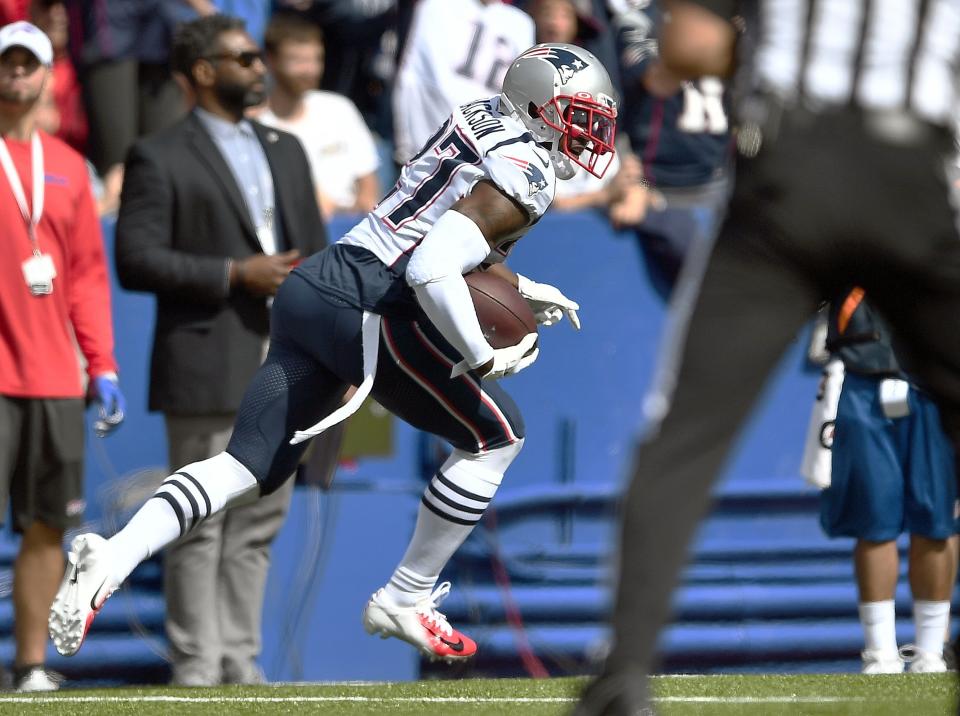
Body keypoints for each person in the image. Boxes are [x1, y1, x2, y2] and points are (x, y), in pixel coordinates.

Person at [50, 41, 617, 664]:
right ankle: (407, 594)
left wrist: (523, 291)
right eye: (579, 113)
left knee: (244, 466)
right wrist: (480, 352)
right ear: (541, 105)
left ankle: (113, 555)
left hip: (321, 283)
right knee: (497, 437)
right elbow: (431, 266)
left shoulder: (485, 116)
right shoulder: (526, 171)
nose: (590, 132)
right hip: (373, 303)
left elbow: (431, 227)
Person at [574, 1, 960, 713]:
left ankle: (623, 675)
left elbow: (688, 45)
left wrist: (726, 66)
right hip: (914, 176)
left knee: (684, 433)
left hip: (789, 170)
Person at [111, 15, 328, 686]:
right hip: (209, 354)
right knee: (198, 521)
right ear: (204, 72)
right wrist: (234, 273)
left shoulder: (286, 147)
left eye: (259, 56)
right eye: (243, 58)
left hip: (288, 355)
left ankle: (240, 660)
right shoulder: (159, 152)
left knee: (260, 520)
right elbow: (136, 258)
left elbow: (319, 256)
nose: (259, 67)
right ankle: (197, 666)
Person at [0, 21, 125, 691]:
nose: (17, 74)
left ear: (48, 75)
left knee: (46, 527)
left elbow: (83, 277)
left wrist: (101, 363)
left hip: (52, 377)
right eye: (7, 63)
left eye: (29, 64)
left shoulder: (70, 168)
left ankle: (30, 667)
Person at [819, 289, 957, 674]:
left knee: (937, 518)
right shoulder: (845, 236)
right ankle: (880, 651)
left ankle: (931, 650)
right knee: (874, 518)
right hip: (861, 375)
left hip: (935, 380)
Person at [608, 0, 732, 299]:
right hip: (653, 183)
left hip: (717, 182)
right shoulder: (639, 20)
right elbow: (656, 79)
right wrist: (703, 39)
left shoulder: (731, 22)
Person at [257, 13, 381, 218]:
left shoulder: (339, 109)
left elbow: (368, 185)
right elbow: (264, 211)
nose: (311, 70)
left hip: (348, 229)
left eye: (316, 59)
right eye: (298, 61)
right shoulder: (256, 125)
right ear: (270, 61)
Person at [393, 0, 535, 164]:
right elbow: (415, 77)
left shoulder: (521, 24)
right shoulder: (437, 6)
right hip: (424, 142)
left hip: (482, 154)